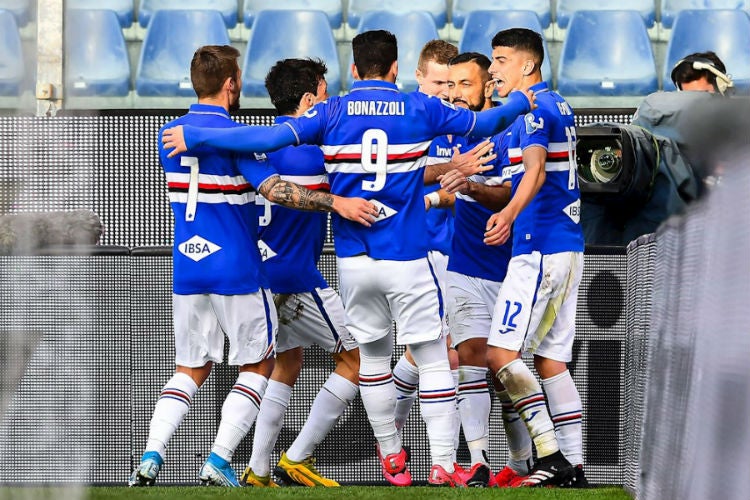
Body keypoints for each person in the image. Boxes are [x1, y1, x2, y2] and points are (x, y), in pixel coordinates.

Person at [161, 29, 534, 487]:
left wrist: (196, 133)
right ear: (396, 70)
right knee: (433, 357)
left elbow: (272, 134)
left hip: (353, 261)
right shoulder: (420, 107)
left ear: (354, 70)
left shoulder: (330, 111)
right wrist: (524, 101)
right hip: (405, 256)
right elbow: (485, 125)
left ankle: (391, 460)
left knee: (371, 360)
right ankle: (442, 462)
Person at [129, 45, 377, 488]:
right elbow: (277, 188)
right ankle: (221, 460)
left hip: (187, 268)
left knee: (191, 369)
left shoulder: (170, 135)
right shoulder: (237, 138)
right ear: (230, 84)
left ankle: (152, 455)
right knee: (260, 365)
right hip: (238, 269)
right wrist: (336, 199)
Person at [240, 57, 360, 489]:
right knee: (357, 360)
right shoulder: (313, 152)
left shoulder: (255, 146)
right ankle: (298, 455)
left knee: (285, 364)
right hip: (296, 276)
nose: (328, 107)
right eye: (325, 97)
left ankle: (257, 469)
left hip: (260, 271)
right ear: (309, 100)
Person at [483, 28, 586, 487]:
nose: (492, 69)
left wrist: (507, 211)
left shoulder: (531, 108)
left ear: (527, 65)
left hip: (540, 248)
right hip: (567, 246)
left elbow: (536, 169)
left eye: (500, 59)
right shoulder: (560, 103)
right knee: (551, 361)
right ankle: (576, 467)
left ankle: (549, 455)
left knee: (501, 354)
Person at [434, 52, 533, 488]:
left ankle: (524, 460)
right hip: (465, 265)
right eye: (450, 85)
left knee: (504, 369)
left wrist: (469, 185)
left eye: (465, 85)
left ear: (488, 87)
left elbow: (511, 192)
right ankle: (478, 461)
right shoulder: (440, 131)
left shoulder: (510, 130)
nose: (455, 94)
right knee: (471, 357)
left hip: (512, 267)